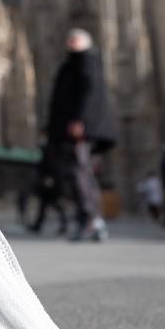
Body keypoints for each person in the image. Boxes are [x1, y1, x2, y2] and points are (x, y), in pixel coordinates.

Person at [44, 28, 116, 242]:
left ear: (85, 43)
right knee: (82, 174)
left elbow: (88, 92)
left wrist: (79, 120)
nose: (70, 42)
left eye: (74, 40)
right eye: (69, 39)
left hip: (77, 130)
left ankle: (89, 220)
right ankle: (92, 221)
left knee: (79, 174)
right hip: (71, 128)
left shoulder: (84, 61)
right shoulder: (75, 62)